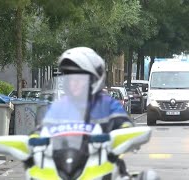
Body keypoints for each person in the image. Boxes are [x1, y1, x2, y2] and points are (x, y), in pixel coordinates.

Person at [41, 47, 133, 178]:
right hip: (64, 165)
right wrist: (35, 138)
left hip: (102, 164)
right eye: (70, 79)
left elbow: (125, 125)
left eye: (79, 79)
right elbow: (43, 128)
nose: (74, 84)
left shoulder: (107, 104)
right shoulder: (60, 106)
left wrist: (122, 134)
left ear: (93, 80)